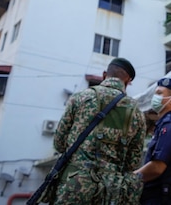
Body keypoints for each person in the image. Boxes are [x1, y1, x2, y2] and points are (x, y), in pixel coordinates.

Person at [51, 57, 146, 205]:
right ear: (127, 82)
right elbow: (133, 162)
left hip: (74, 185)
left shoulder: (80, 98)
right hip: (110, 192)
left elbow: (59, 143)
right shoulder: (137, 113)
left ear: (104, 75)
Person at [134, 78, 171, 205]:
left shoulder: (170, 126)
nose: (155, 97)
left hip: (160, 198)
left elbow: (157, 167)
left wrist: (130, 179)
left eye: (159, 93)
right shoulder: (162, 124)